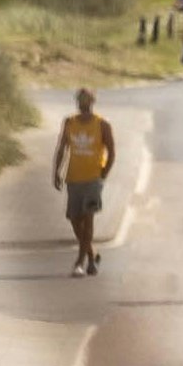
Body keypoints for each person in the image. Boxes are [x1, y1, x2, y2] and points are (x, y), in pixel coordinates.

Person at [53, 87, 118, 277]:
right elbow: (62, 149)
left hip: (92, 179)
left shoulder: (102, 124)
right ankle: (92, 254)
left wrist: (103, 173)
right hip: (73, 178)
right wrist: (57, 171)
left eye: (87, 100)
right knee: (74, 219)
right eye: (81, 100)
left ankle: (80, 262)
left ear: (92, 101)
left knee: (88, 218)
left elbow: (111, 151)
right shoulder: (69, 123)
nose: (83, 103)